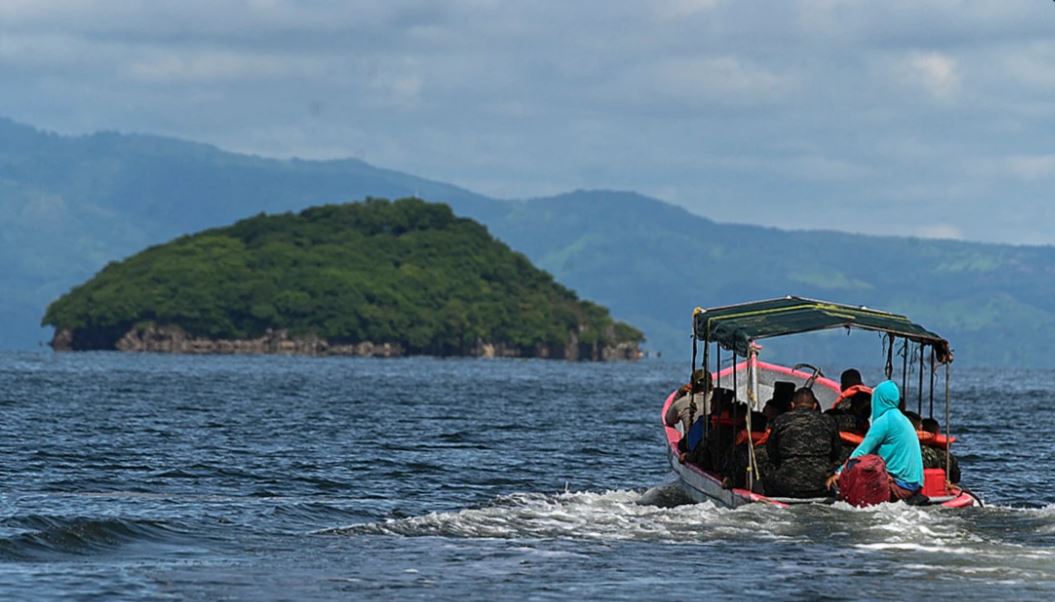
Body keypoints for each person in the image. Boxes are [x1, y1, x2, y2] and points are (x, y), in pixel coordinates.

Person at [828, 380, 924, 501]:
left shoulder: (885, 420)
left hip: (899, 485)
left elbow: (863, 450)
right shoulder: (901, 418)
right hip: (914, 484)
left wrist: (840, 473)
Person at [764, 388, 842, 498]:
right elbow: (836, 452)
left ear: (792, 405)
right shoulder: (829, 421)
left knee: (764, 474)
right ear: (815, 406)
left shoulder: (781, 420)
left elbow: (771, 452)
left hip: (787, 485)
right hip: (822, 484)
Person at [920, 417, 961, 484]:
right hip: (940, 488)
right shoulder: (948, 457)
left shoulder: (914, 451)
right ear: (937, 432)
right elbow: (956, 478)